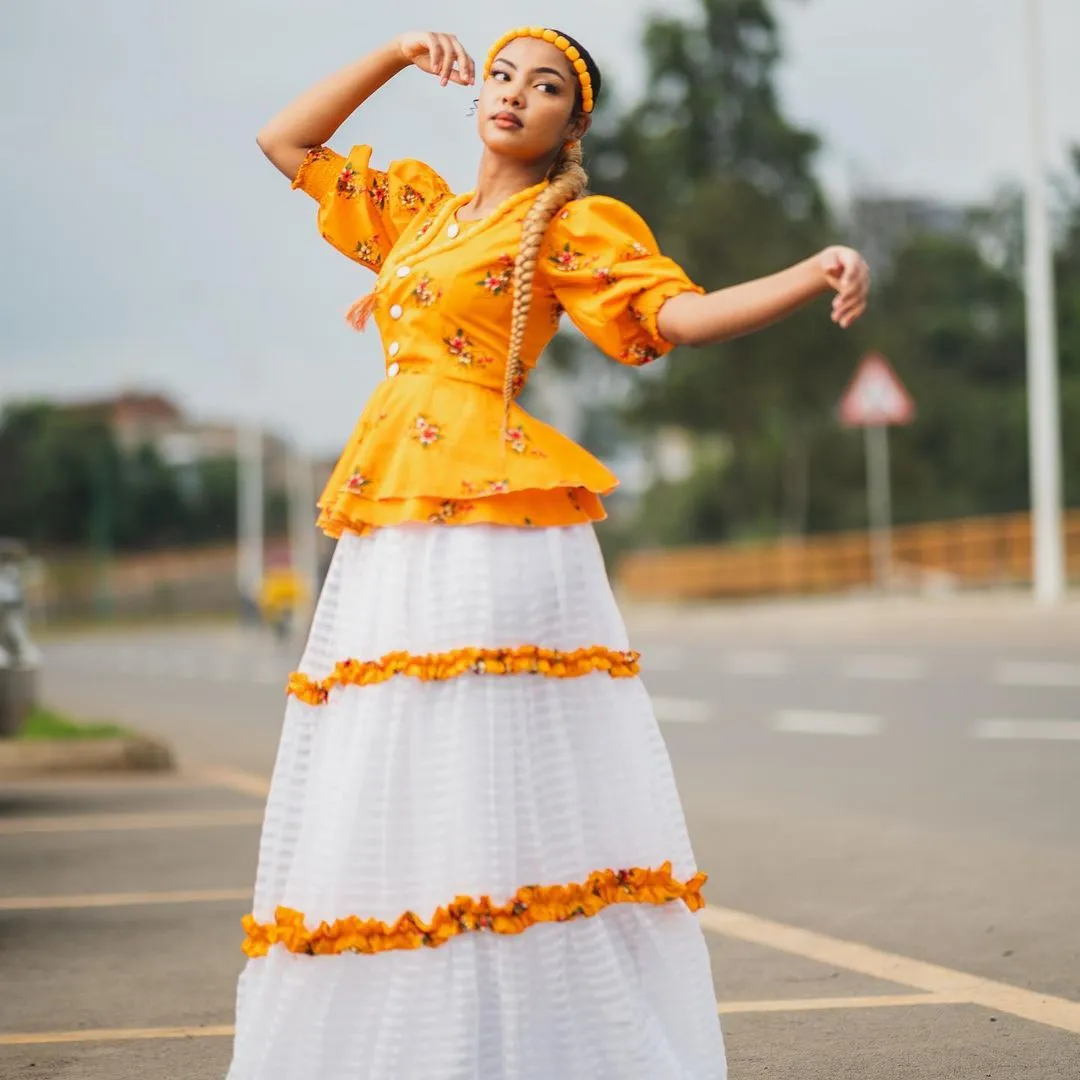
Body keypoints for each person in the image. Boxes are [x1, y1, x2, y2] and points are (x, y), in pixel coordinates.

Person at [227, 26, 869, 1080]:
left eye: (547, 87)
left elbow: (682, 314)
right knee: (400, 765)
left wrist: (811, 270)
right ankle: (438, 1034)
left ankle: (530, 1036)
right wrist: (393, 55)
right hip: (395, 521)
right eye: (500, 76)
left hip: (489, 523)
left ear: (575, 123)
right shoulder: (423, 213)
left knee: (486, 764)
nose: (515, 95)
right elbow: (284, 142)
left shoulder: (568, 225)